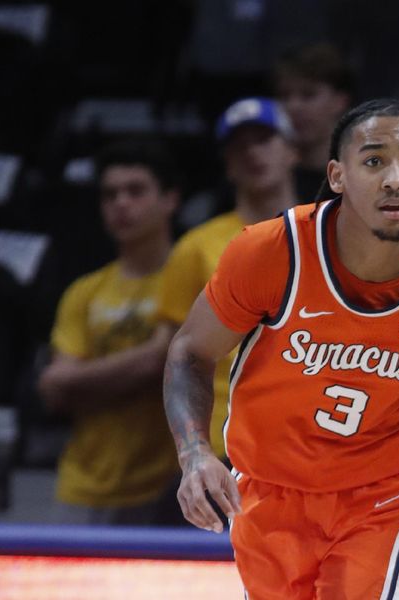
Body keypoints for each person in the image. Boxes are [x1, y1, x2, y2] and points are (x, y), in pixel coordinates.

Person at [163, 98, 399, 598]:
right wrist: (195, 454)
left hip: (385, 498)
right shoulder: (269, 252)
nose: (395, 178)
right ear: (337, 175)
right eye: (374, 161)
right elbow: (189, 353)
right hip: (267, 494)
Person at [154, 96, 298, 523]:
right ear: (227, 163)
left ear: (292, 149)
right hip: (224, 446)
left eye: (264, 139)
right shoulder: (195, 248)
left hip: (310, 443)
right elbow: (178, 354)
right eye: (239, 146)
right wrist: (192, 450)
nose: (253, 152)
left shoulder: (335, 237)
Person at [38, 139, 181, 525]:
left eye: (135, 191)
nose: (121, 203)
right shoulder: (84, 292)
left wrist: (87, 383)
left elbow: (170, 367)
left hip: (165, 488)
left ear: (169, 200)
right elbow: (54, 388)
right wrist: (150, 363)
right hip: (82, 485)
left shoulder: (191, 279)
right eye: (110, 194)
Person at [273, 42, 356, 202]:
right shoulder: (263, 178)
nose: (293, 106)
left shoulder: (361, 177)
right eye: (284, 96)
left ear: (340, 101)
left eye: (308, 95)